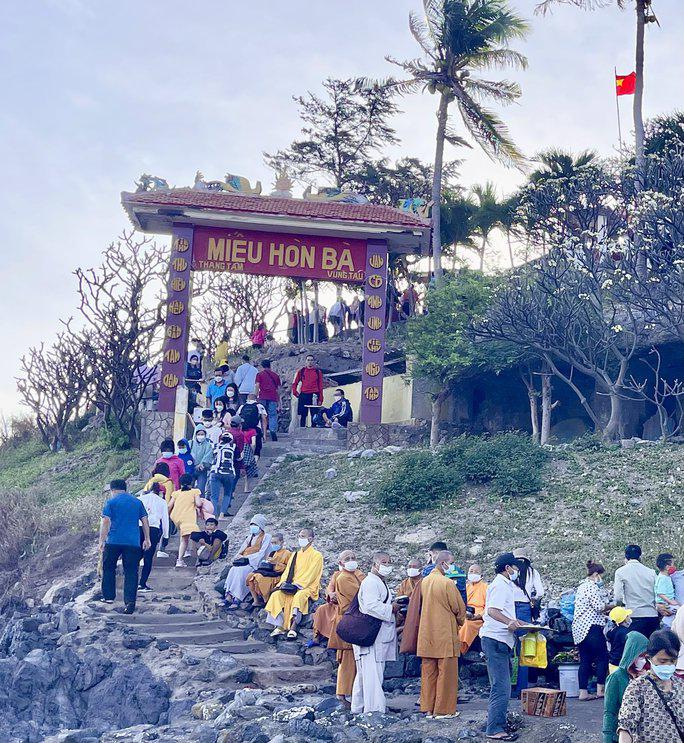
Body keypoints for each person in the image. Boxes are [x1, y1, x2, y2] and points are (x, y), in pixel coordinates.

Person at [480, 552, 525, 742]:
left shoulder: (503, 585)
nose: (517, 571)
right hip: (495, 639)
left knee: (502, 685)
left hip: (500, 639)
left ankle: (498, 723)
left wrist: (519, 622)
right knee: (501, 687)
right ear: (508, 568)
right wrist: (510, 623)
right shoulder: (500, 585)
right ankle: (494, 728)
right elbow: (492, 611)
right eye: (515, 568)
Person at [417, 550, 466, 719]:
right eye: (450, 563)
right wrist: (461, 620)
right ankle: (443, 710)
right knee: (446, 673)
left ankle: (428, 709)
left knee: (429, 673)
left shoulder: (424, 581)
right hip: (444, 633)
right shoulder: (447, 583)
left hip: (426, 634)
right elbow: (459, 609)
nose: (451, 566)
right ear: (444, 563)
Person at [350, 551, 398, 715]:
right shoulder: (371, 582)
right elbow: (370, 606)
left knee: (366, 674)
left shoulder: (378, 582)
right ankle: (374, 710)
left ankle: (358, 708)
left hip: (375, 635)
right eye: (384, 562)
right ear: (375, 564)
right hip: (372, 636)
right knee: (372, 674)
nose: (387, 565)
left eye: (389, 562)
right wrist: (391, 608)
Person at [617, 629, 684, 742]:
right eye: (662, 661)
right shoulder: (637, 688)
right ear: (649, 658)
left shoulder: (680, 686)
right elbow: (626, 726)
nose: (668, 665)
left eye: (673, 661)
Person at [99, 479, 151, 614]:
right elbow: (145, 520)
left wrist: (102, 540)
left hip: (113, 541)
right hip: (132, 542)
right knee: (131, 572)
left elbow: (105, 521)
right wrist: (147, 539)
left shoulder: (111, 502)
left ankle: (109, 597)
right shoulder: (137, 502)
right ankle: (130, 603)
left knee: (109, 567)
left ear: (113, 490)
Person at [266, 528, 324, 639]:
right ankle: (280, 626)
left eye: (303, 536)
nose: (300, 538)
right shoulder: (295, 554)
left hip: (306, 586)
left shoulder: (317, 555)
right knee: (276, 595)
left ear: (310, 539)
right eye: (299, 536)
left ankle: (293, 627)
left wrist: (297, 585)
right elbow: (287, 571)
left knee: (299, 596)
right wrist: (281, 584)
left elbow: (311, 574)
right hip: (291, 585)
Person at [327, 550, 365, 707]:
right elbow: (360, 595)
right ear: (341, 562)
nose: (351, 561)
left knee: (350, 659)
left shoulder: (357, 574)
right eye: (347, 559)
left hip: (352, 619)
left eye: (353, 558)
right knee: (347, 659)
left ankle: (348, 693)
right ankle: (343, 695)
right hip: (349, 620)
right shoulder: (342, 577)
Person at [572, 560, 609, 701]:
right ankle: (600, 690)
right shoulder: (591, 587)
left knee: (585, 660)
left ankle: (583, 692)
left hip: (579, 629)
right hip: (591, 626)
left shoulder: (581, 587)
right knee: (602, 657)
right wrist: (612, 606)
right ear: (596, 574)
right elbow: (599, 607)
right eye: (601, 575)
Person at [602, 631, 649, 743]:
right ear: (632, 654)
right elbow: (609, 711)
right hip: (622, 734)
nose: (643, 660)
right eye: (640, 656)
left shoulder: (646, 675)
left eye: (646, 656)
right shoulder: (616, 677)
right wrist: (608, 737)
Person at [511, 548, 545, 696]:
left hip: (509, 609)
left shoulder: (511, 571)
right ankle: (521, 689)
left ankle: (508, 687)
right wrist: (532, 600)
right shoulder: (532, 572)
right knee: (523, 651)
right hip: (525, 610)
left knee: (508, 649)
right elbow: (540, 593)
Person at [224, 514, 272, 610]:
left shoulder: (266, 537)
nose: (253, 527)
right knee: (233, 569)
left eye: (255, 525)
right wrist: (240, 557)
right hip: (245, 561)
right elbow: (241, 550)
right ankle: (229, 595)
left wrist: (248, 559)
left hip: (255, 563)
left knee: (241, 572)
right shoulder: (250, 537)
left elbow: (262, 554)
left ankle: (237, 598)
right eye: (252, 524)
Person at [614, 544, 659, 638]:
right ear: (640, 556)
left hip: (634, 615)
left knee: (636, 649)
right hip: (652, 615)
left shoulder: (620, 572)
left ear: (626, 556)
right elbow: (657, 594)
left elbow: (618, 596)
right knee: (653, 649)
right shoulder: (651, 572)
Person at [137, 482, 169, 592]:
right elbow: (165, 520)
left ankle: (132, 580)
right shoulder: (162, 502)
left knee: (136, 555)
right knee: (148, 557)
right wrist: (165, 536)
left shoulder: (141, 498)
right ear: (160, 492)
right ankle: (142, 583)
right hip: (153, 530)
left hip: (139, 527)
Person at [246, 533, 292, 606]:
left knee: (259, 577)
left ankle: (265, 600)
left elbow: (288, 569)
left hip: (278, 575)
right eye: (272, 543)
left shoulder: (287, 553)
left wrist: (275, 563)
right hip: (269, 573)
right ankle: (256, 600)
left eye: (275, 543)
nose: (273, 545)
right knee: (250, 576)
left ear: (282, 542)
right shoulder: (273, 553)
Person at [168, 474, 202, 568]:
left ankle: (180, 560)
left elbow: (169, 506)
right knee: (197, 537)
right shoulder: (195, 491)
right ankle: (198, 557)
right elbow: (199, 503)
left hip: (177, 518)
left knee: (184, 539)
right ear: (192, 482)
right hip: (189, 517)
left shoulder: (176, 493)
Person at [460, 563, 489, 655]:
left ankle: (461, 648)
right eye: (471, 571)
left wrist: (478, 615)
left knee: (468, 624)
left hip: (478, 617)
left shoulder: (486, 587)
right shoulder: (465, 587)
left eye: (476, 572)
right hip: (464, 613)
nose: (473, 573)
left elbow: (488, 607)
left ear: (481, 575)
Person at [209, 431, 237, 517]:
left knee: (214, 496)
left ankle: (214, 515)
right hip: (229, 473)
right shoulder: (233, 447)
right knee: (227, 494)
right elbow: (238, 458)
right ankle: (222, 514)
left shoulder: (215, 446)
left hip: (216, 472)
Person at [293, 355, 324, 427]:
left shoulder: (317, 372)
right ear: (306, 361)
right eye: (308, 360)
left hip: (314, 394)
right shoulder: (301, 371)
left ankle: (313, 429)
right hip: (304, 394)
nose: (310, 362)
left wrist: (320, 398)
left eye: (311, 360)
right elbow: (295, 383)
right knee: (303, 414)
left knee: (314, 414)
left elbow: (320, 386)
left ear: (314, 362)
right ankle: (302, 429)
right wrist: (295, 392)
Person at [255, 359, 281, 442]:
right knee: (272, 415)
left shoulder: (259, 375)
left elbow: (257, 386)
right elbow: (278, 390)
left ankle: (264, 433)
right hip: (273, 397)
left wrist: (256, 396)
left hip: (262, 397)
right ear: (270, 365)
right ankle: (273, 430)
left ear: (262, 366)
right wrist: (279, 402)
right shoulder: (275, 375)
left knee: (263, 416)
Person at [237, 393, 267, 458]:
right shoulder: (259, 406)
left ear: (247, 399)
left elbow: (237, 418)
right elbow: (264, 419)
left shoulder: (242, 406)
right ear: (256, 399)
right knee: (257, 448)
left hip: (244, 430)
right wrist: (264, 434)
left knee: (244, 446)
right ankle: (255, 461)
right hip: (256, 429)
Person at [655, 552, 679, 628]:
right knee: (679, 611)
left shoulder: (666, 577)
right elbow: (660, 593)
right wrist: (670, 601)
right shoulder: (663, 578)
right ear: (667, 567)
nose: (674, 566)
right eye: (673, 564)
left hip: (668, 603)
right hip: (666, 604)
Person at [607, 607, 635, 673]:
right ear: (624, 619)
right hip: (620, 663)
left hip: (612, 662)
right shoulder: (625, 632)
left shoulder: (612, 631)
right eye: (627, 616)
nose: (629, 617)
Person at [190, 424, 214, 495]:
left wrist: (202, 464)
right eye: (199, 434)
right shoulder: (190, 443)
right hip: (191, 470)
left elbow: (208, 456)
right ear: (195, 434)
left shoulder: (208, 445)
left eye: (202, 434)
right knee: (189, 489)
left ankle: (200, 504)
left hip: (202, 470)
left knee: (200, 490)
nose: (200, 436)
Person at [239, 425, 259, 493]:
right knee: (249, 469)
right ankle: (246, 488)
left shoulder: (240, 429)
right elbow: (253, 443)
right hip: (247, 449)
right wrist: (253, 451)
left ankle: (232, 491)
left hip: (239, 448)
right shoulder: (252, 431)